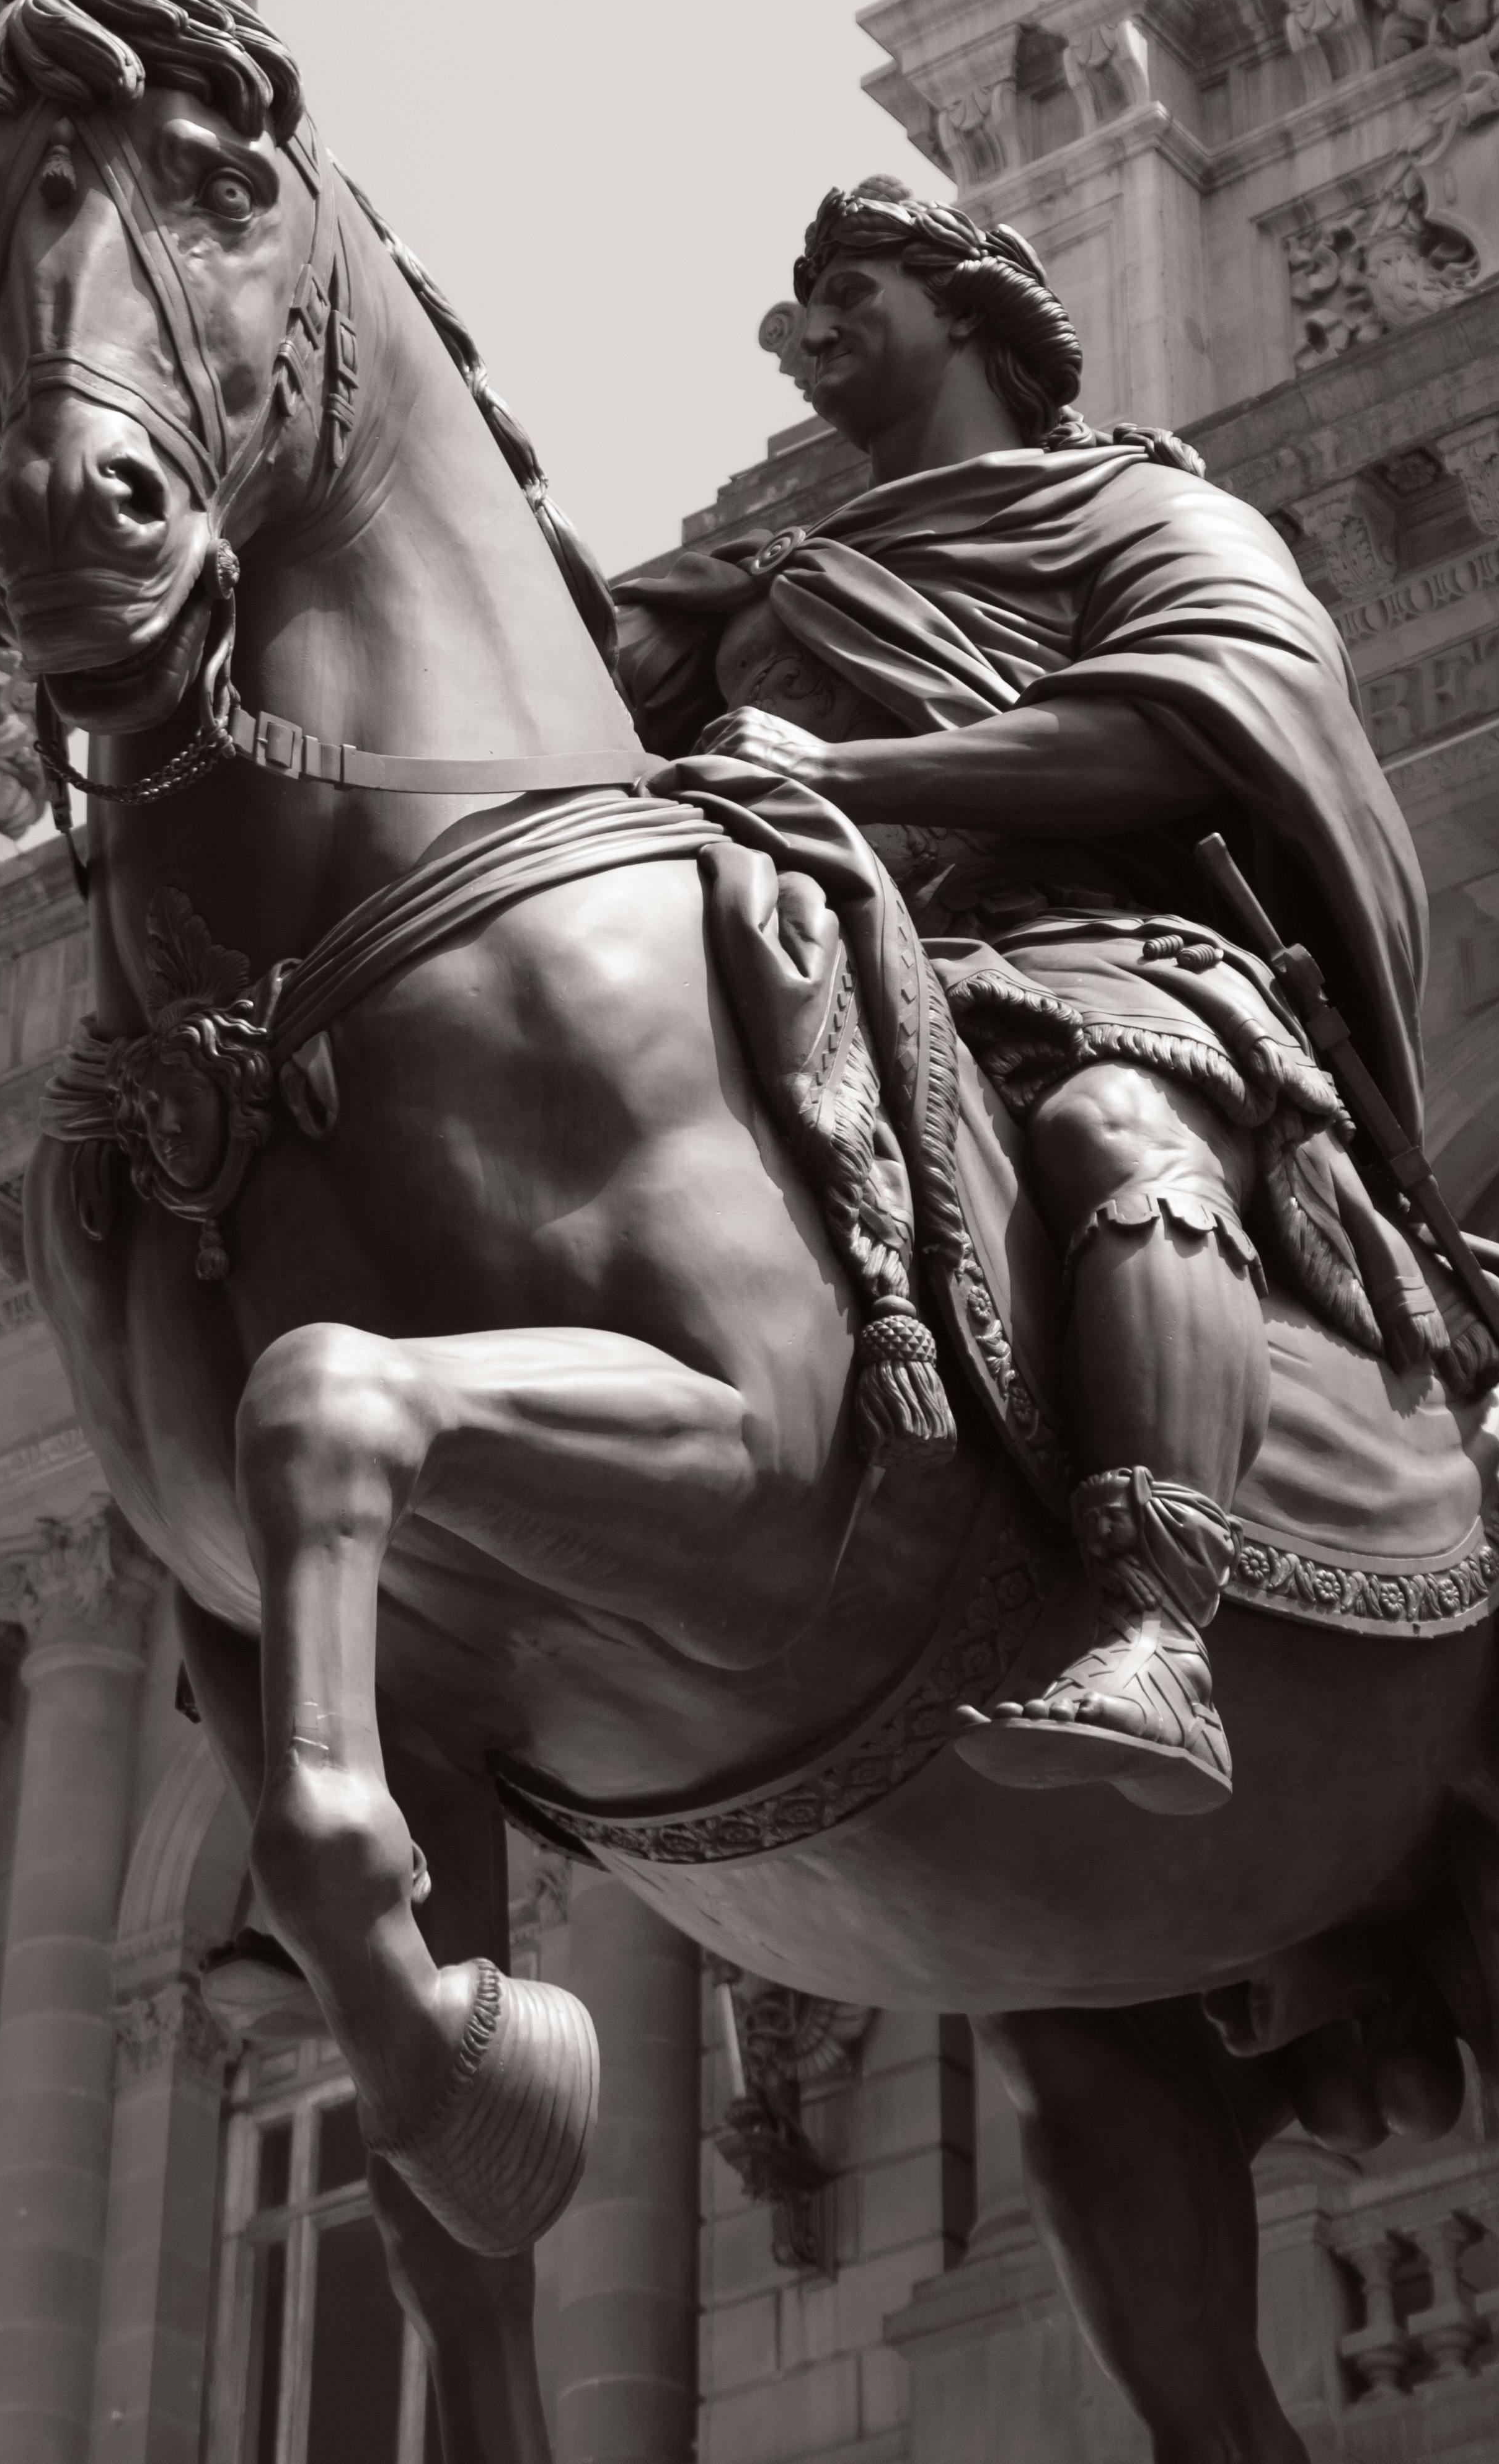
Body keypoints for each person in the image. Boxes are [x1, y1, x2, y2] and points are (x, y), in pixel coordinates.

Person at [615, 182, 1441, 1809]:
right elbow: (545, 699)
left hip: (1091, 955)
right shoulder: (761, 586)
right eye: (800, 298)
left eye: (850, 285)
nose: (808, 325)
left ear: (968, 307)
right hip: (826, 967)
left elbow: (1186, 734)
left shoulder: (1143, 515)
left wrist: (836, 766)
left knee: (1116, 1133)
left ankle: (1155, 1626)